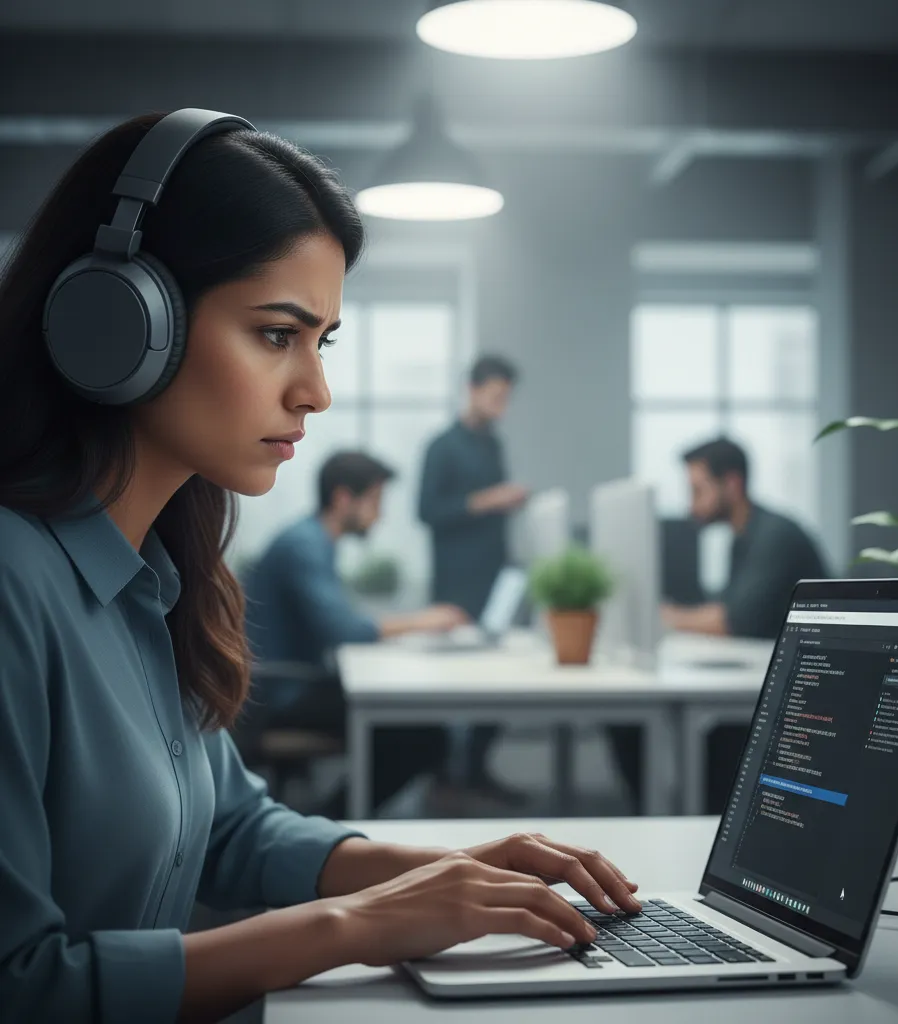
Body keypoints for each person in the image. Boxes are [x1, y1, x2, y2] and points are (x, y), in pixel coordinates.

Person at [0, 110, 640, 1024]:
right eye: (276, 334)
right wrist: (359, 925)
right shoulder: (14, 585)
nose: (316, 392)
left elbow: (233, 829)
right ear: (119, 322)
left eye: (322, 341)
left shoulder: (158, 576)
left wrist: (451, 873)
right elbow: (22, 986)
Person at [244, 449, 468, 809]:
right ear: (343, 498)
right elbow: (343, 629)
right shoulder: (304, 545)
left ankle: (332, 819)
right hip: (283, 693)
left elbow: (338, 621)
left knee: (413, 723)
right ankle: (331, 823)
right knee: (426, 736)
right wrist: (422, 621)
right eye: (375, 501)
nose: (380, 514)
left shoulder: (311, 539)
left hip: (290, 683)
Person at [418, 355, 529, 799]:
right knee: (452, 683)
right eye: (497, 396)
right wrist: (489, 499)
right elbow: (427, 511)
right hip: (455, 583)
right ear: (472, 389)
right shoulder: (442, 446)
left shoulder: (492, 445)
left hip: (492, 581)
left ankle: (475, 772)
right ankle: (447, 777)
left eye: (507, 398)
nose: (502, 406)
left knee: (497, 681)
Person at [661, 437, 829, 640]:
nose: (691, 506)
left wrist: (665, 617)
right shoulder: (742, 537)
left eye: (698, 491)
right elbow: (728, 607)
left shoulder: (775, 536)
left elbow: (732, 622)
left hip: (809, 654)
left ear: (732, 484)